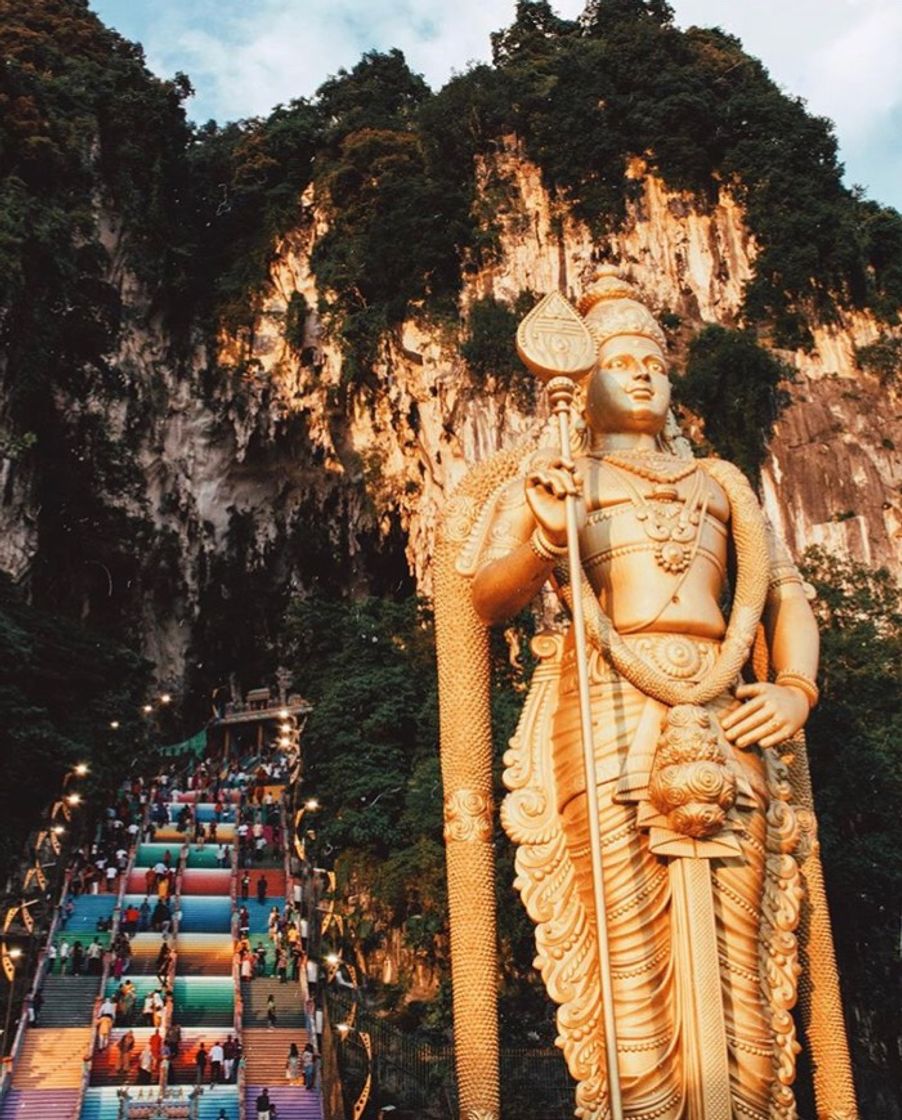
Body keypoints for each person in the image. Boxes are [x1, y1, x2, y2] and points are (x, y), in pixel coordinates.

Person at [436, 269, 852, 1120]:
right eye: (619, 360)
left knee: (747, 948)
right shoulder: (555, 472)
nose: (642, 374)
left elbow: (786, 597)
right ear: (581, 380)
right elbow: (482, 596)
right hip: (601, 704)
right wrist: (546, 540)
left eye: (655, 361)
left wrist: (797, 689)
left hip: (727, 702)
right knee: (625, 951)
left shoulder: (723, 483)